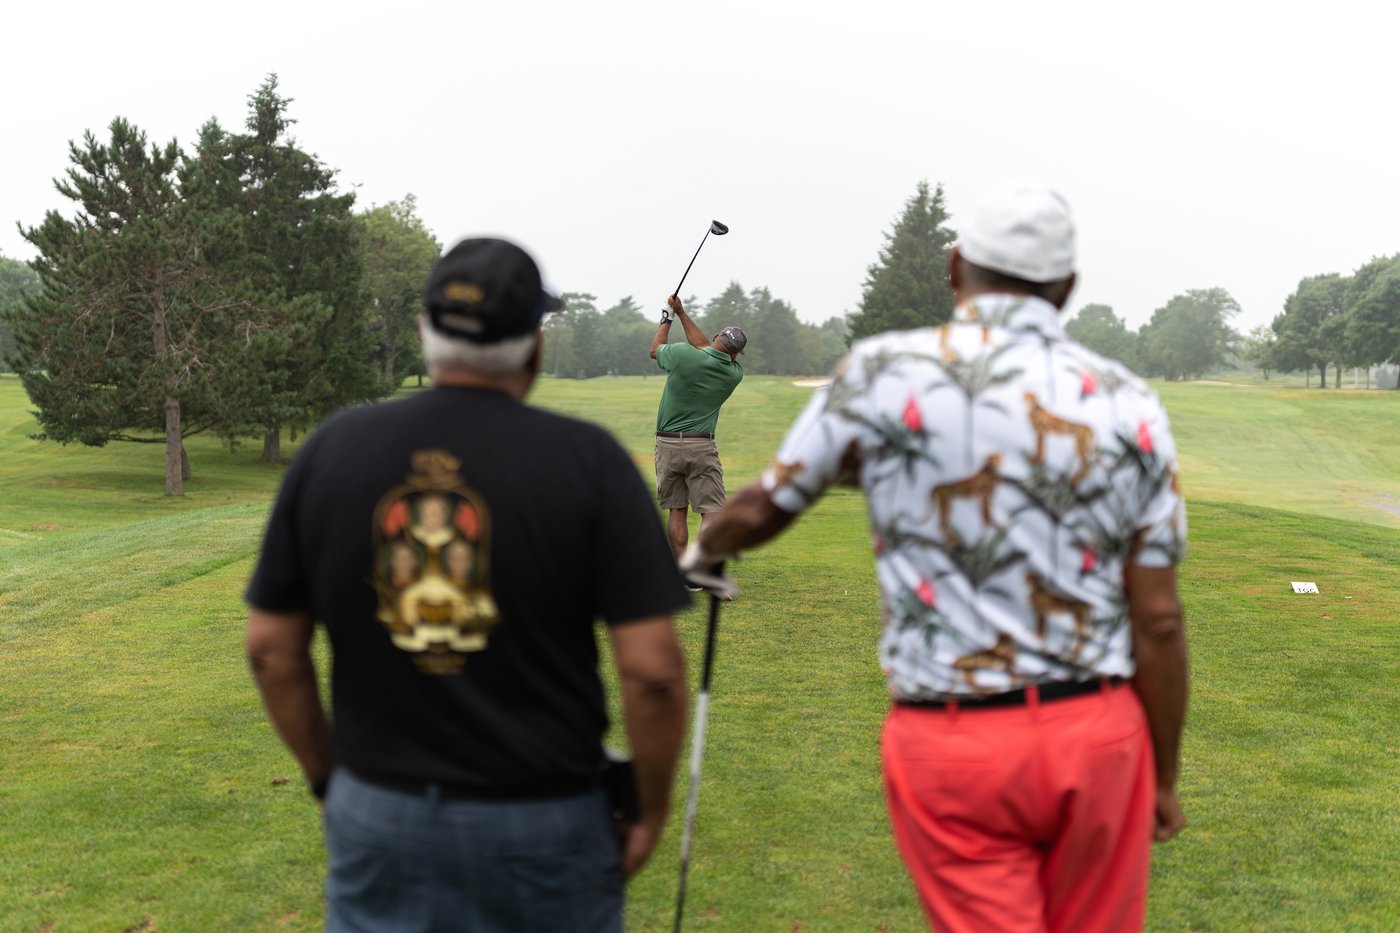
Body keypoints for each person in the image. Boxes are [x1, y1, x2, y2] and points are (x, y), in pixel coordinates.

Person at [681, 182, 1189, 932]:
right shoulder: (1129, 401)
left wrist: (704, 547)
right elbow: (1161, 618)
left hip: (956, 743)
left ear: (955, 268)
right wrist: (1164, 776)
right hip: (1099, 738)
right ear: (1068, 287)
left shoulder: (886, 371)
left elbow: (764, 504)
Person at [245, 237, 690, 932]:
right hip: (544, 816)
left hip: (377, 806)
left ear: (425, 332)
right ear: (534, 345)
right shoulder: (589, 460)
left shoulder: (333, 448)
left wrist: (330, 778)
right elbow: (654, 673)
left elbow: (271, 647)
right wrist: (652, 806)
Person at [648, 293, 746, 559]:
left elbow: (655, 349)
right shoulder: (733, 374)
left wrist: (667, 320)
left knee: (676, 510)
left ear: (716, 337)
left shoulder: (681, 354)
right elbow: (704, 348)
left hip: (667, 444)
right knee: (711, 512)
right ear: (735, 355)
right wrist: (681, 313)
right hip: (701, 446)